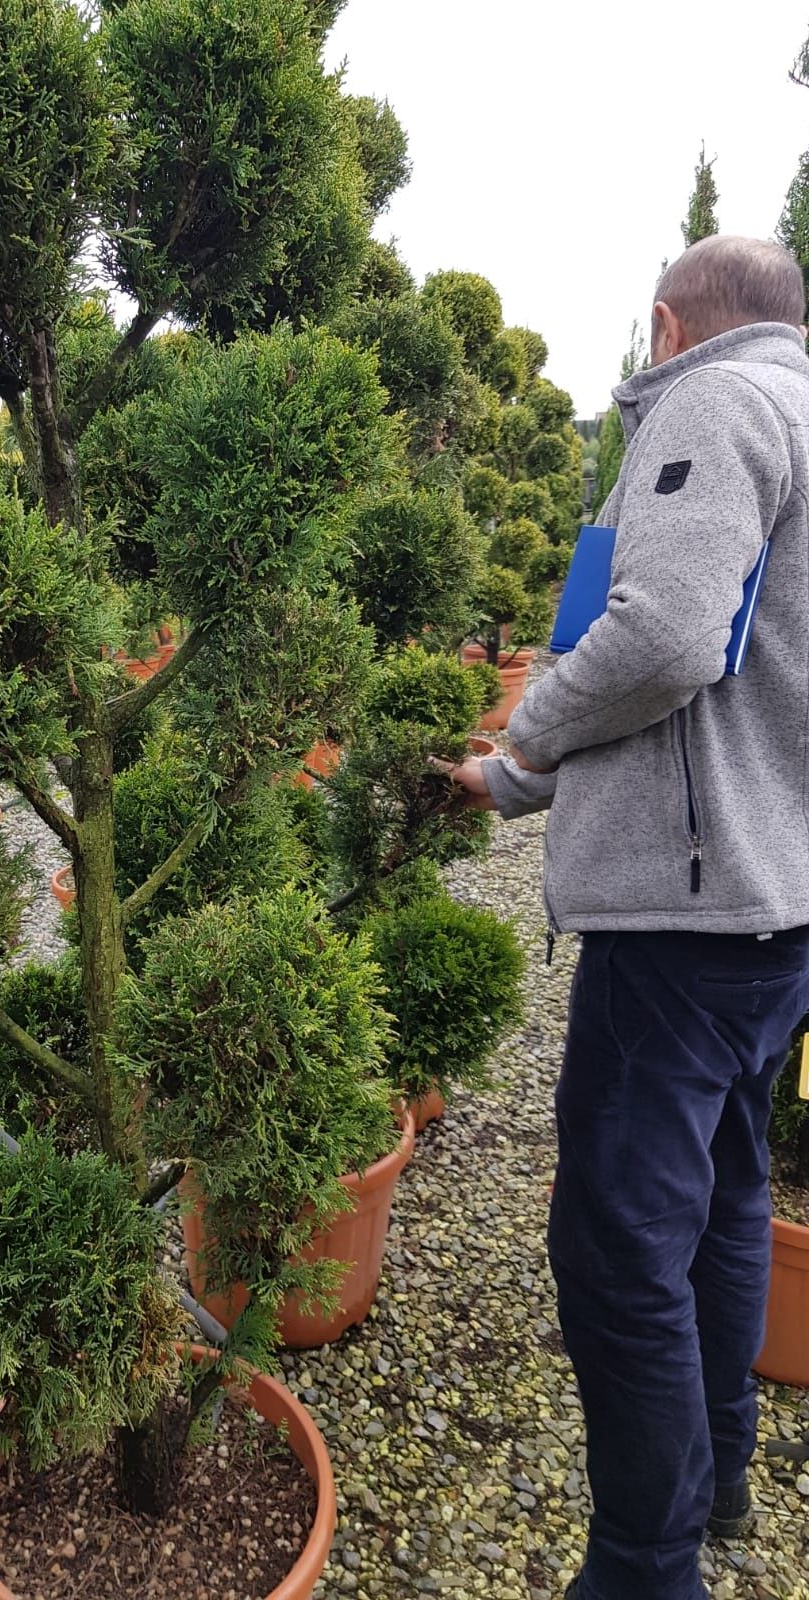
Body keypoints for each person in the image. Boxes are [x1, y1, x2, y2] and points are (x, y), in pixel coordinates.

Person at [447, 235, 809, 1600]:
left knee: (613, 1244)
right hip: (777, 908)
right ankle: (718, 1478)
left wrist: (519, 746)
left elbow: (662, 634)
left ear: (668, 324)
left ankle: (646, 1571)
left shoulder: (717, 400)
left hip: (684, 926)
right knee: (724, 1200)